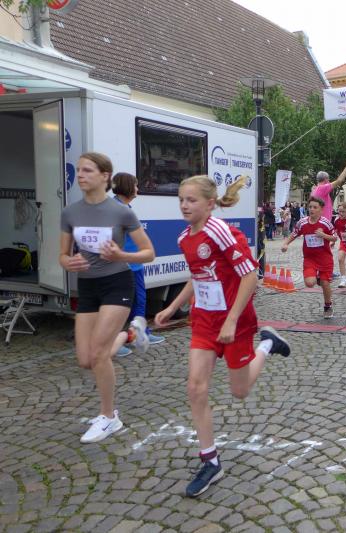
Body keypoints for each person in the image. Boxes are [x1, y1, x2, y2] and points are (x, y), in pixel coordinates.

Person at [154, 174, 290, 498]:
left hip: (235, 323)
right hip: (204, 321)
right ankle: (211, 461)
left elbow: (250, 277)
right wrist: (171, 307)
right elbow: (197, 276)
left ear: (210, 203)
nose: (184, 205)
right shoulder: (184, 238)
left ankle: (267, 343)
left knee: (239, 391)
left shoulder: (222, 233)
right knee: (195, 387)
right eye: (181, 200)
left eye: (191, 200)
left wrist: (231, 320)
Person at [60, 153, 155, 443]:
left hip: (117, 284)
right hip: (88, 286)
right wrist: (68, 262)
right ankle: (130, 334)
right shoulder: (70, 213)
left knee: (99, 354)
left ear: (105, 176)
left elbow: (148, 253)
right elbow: (62, 255)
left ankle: (109, 416)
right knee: (85, 359)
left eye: (87, 170)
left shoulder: (121, 213)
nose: (80, 175)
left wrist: (121, 255)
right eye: (79, 170)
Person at [111, 172, 165, 356]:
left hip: (134, 265)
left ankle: (140, 335)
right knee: (120, 307)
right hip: (125, 267)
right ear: (127, 187)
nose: (137, 188)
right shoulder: (117, 210)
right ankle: (113, 342)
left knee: (138, 302)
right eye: (134, 185)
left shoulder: (123, 207)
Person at [281, 196, 337, 318]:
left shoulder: (325, 223)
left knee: (325, 283)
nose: (311, 209)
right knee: (310, 283)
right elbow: (294, 234)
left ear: (321, 210)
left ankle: (328, 306)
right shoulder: (302, 222)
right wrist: (286, 244)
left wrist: (323, 235)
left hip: (325, 258)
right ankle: (318, 278)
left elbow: (334, 237)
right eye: (310, 207)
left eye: (315, 207)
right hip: (309, 258)